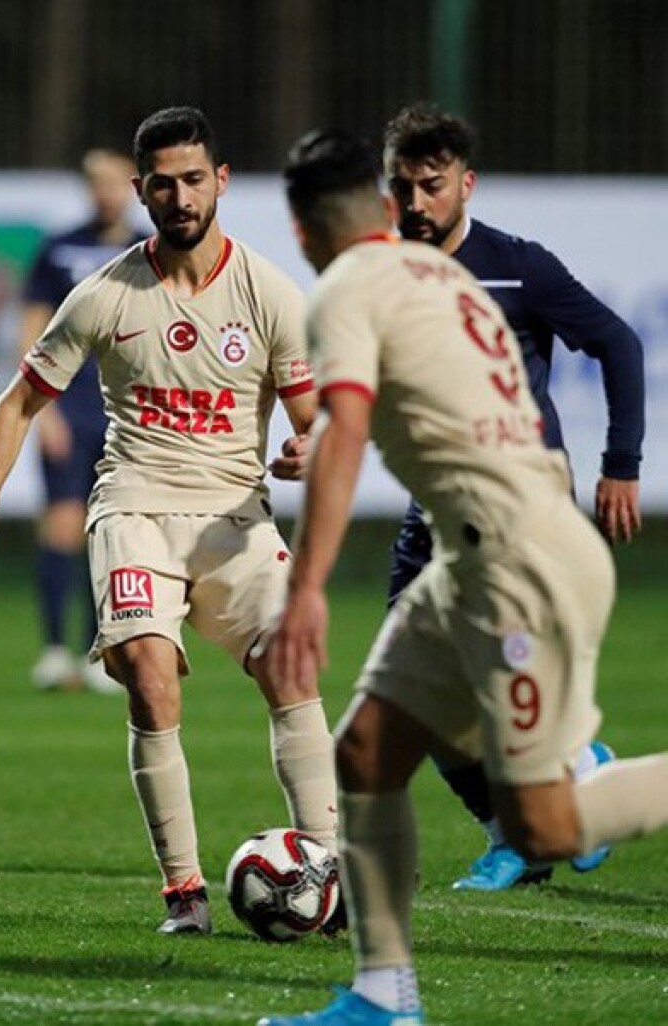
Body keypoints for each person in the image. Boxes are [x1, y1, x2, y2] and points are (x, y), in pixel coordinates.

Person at [261, 128, 668, 1026]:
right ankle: (383, 996)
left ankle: (390, 982)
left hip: (515, 560)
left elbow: (352, 431)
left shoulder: (346, 289)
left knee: (546, 830)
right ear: (381, 203)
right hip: (484, 549)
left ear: (301, 233)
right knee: (365, 752)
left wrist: (305, 590)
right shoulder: (442, 275)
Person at [0, 106, 339, 935]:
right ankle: (184, 893)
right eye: (165, 182)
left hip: (236, 518)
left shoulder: (269, 293)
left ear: (221, 181)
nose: (182, 195)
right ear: (141, 189)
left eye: (196, 179)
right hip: (133, 511)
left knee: (291, 673)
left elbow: (318, 418)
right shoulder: (104, 294)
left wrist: (309, 448)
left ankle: (329, 872)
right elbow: (16, 406)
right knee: (151, 684)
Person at [382, 102, 645, 890]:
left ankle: (573, 771)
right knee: (409, 687)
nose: (417, 203)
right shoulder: (381, 267)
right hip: (432, 504)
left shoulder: (518, 267)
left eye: (432, 186)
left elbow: (618, 343)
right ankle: (528, 821)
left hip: (518, 500)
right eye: (403, 187)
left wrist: (622, 463)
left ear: (467, 183)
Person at [17, 148, 144, 694]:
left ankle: (100, 652)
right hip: (68, 408)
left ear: (132, 187)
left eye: (114, 183)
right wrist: (39, 410)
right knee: (64, 524)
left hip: (126, 411)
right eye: (96, 183)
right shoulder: (60, 248)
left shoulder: (147, 249)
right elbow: (32, 329)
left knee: (111, 531)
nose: (105, 193)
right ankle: (52, 650)